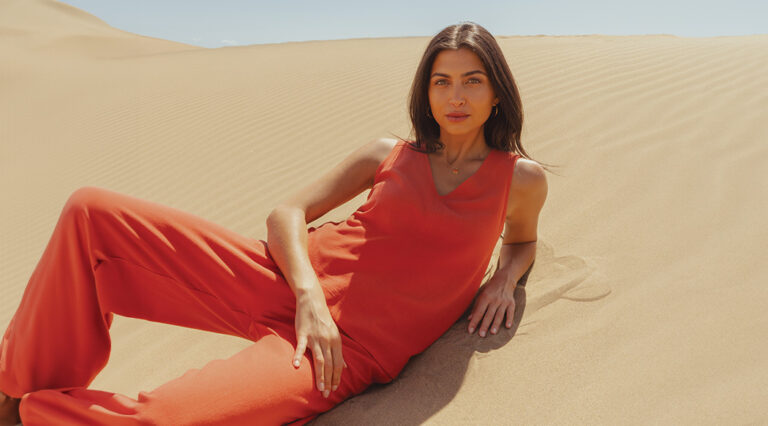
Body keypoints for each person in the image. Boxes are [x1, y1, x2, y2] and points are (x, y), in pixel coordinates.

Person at [0, 21, 548, 425]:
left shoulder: (519, 179)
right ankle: (12, 389)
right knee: (90, 213)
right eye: (442, 82)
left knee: (164, 419)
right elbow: (286, 213)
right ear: (425, 94)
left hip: (344, 351)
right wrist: (309, 296)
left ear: (497, 93)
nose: (456, 97)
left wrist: (505, 278)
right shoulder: (390, 153)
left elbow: (522, 241)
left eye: (472, 81)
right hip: (282, 278)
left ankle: (30, 415)